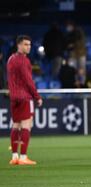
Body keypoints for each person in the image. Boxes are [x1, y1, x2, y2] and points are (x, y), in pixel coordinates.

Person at [7, 35, 43, 165]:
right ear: (19, 45)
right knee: (27, 125)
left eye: (29, 44)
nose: (28, 47)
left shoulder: (10, 59)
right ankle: (23, 157)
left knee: (16, 125)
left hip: (14, 97)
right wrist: (37, 97)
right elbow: (29, 81)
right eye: (26, 44)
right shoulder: (24, 61)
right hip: (24, 97)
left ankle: (14, 156)